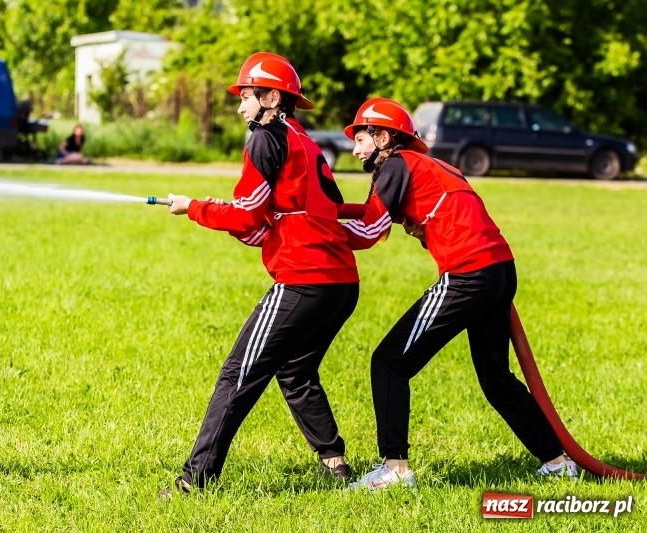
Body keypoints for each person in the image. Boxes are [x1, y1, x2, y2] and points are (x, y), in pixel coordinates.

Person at [340, 97, 577, 490]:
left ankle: (395, 470)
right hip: (500, 268)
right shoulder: (431, 165)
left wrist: (313, 233)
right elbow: (389, 212)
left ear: (383, 137)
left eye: (361, 138)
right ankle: (557, 461)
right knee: (496, 378)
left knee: (388, 363)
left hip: (468, 273)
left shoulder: (396, 164)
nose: (355, 148)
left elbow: (370, 230)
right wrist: (327, 210)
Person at [161, 52, 360, 495]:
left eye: (246, 96)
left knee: (237, 373)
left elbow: (249, 217)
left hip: (304, 279)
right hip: (341, 283)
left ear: (273, 97)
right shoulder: (301, 138)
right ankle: (335, 465)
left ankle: (194, 480)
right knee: (294, 370)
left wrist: (194, 207)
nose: (240, 106)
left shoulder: (265, 138)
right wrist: (224, 210)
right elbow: (283, 214)